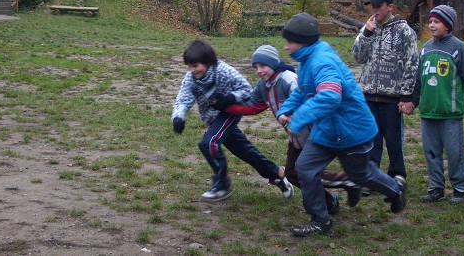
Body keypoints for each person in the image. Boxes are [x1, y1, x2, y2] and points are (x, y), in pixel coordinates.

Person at [275, 12, 406, 237]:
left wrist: (298, 120)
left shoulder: (322, 62)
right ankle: (320, 220)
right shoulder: (307, 60)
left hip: (351, 130)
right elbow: (303, 90)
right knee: (304, 168)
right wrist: (286, 109)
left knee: (362, 175)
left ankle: (396, 191)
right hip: (327, 131)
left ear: (304, 41)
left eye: (290, 41)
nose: (286, 47)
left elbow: (330, 96)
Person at [223, 45, 362, 213]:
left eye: (262, 66)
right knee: (293, 174)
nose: (259, 70)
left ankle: (345, 183)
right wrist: (226, 106)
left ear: (273, 63)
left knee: (307, 172)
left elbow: (306, 100)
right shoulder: (264, 85)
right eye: (255, 67)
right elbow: (253, 105)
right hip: (296, 139)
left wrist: (293, 119)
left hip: (314, 135)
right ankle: (330, 203)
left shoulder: (288, 79)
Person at [171, 39, 294, 202]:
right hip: (212, 118)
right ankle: (277, 174)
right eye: (189, 66)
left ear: (208, 62)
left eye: (195, 66)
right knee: (243, 150)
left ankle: (222, 185)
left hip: (230, 111)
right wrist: (178, 116)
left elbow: (246, 91)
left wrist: (229, 98)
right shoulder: (191, 78)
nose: (191, 70)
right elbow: (183, 97)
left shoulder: (223, 70)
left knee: (208, 143)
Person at [405, 5, 464, 204]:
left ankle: (460, 188)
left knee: (455, 153)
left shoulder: (458, 48)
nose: (431, 25)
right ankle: (436, 187)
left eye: (436, 22)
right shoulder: (426, 49)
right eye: (430, 21)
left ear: (448, 25)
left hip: (450, 113)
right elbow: (419, 80)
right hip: (429, 112)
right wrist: (412, 102)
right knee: (431, 152)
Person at [352, 0, 419, 183]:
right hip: (369, 95)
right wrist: (366, 33)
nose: (374, 10)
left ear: (390, 7)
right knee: (371, 140)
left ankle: (397, 176)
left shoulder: (404, 31)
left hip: (392, 96)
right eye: (372, 6)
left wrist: (406, 95)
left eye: (378, 6)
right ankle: (372, 177)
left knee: (394, 140)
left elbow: (411, 63)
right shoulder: (368, 29)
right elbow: (357, 57)